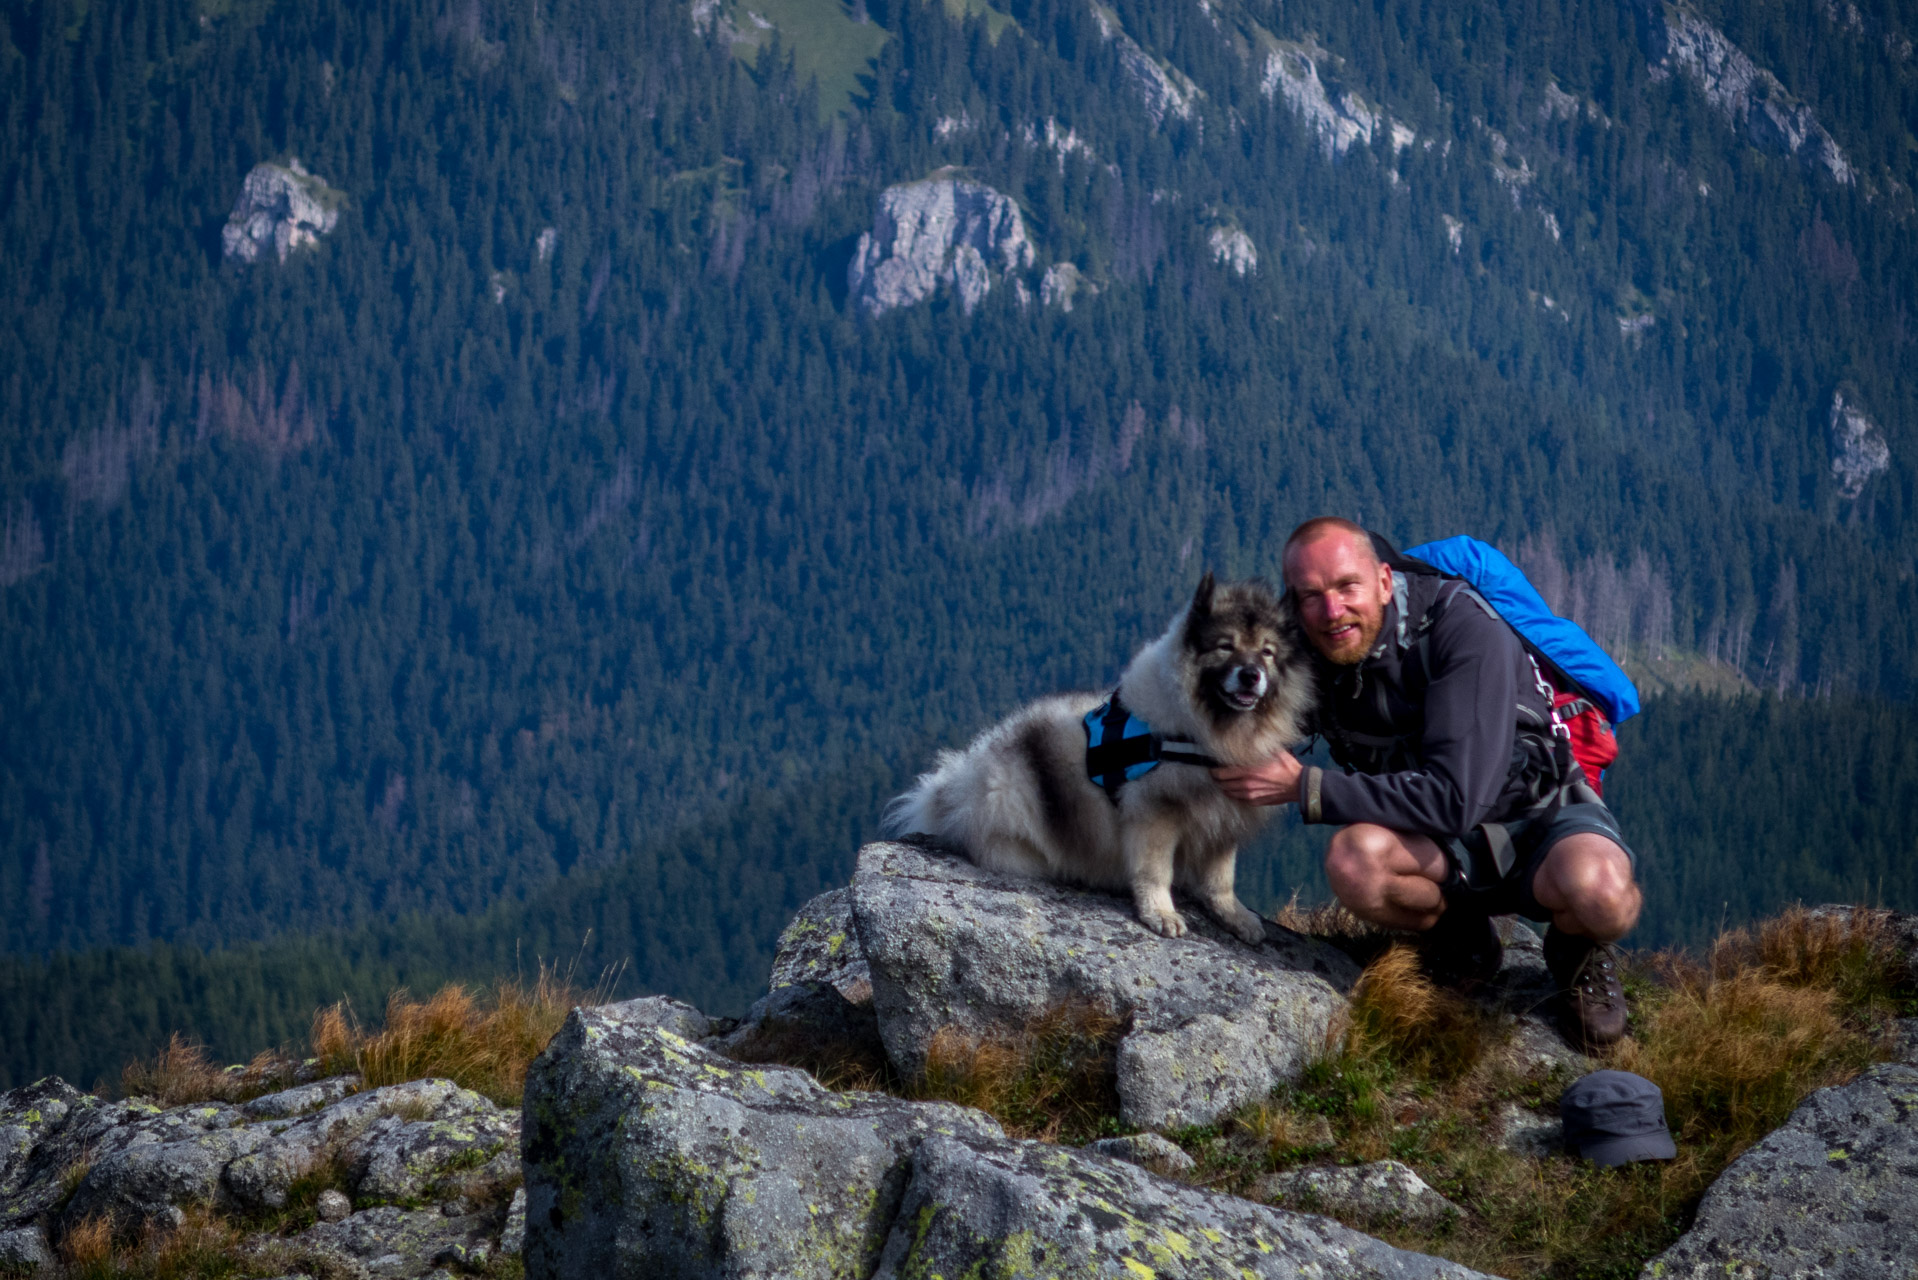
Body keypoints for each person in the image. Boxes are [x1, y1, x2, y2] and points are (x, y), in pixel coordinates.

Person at [1213, 517, 1642, 1048]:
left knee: (1602, 895)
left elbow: (1455, 800)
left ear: (1385, 581)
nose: (1332, 611)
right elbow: (1225, 720)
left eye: (1348, 587)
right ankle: (1464, 940)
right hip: (1434, 843)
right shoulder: (1307, 651)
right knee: (1355, 863)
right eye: (1312, 596)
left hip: (1537, 815)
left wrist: (1307, 786)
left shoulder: (1463, 628)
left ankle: (1575, 949)